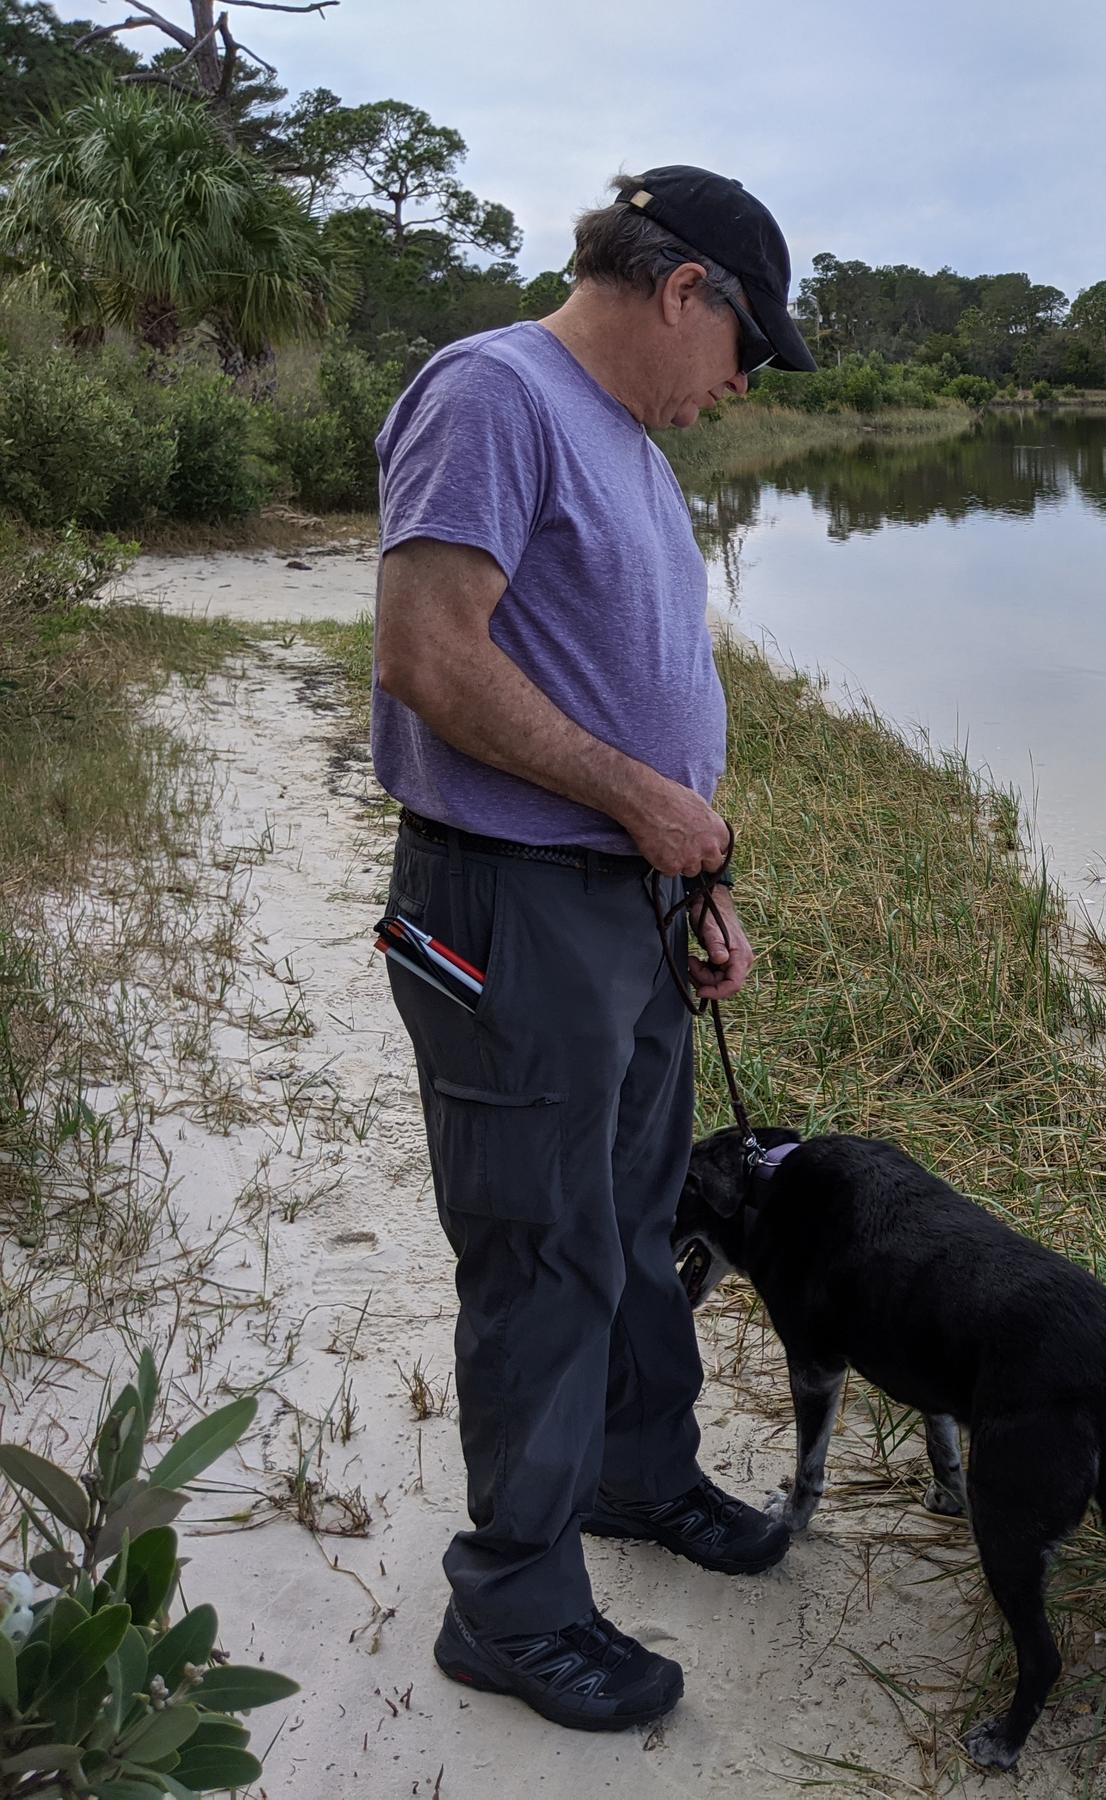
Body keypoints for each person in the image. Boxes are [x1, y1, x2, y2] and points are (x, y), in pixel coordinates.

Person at [369, 165, 818, 1732]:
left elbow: (622, 678)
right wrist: (638, 800)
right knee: (543, 1251)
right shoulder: (495, 394)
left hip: (623, 903)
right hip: (509, 907)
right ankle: (511, 1605)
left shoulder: (625, 442)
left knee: (634, 1219)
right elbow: (429, 650)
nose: (742, 387)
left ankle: (637, 1476)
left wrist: (696, 879)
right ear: (685, 288)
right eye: (745, 347)